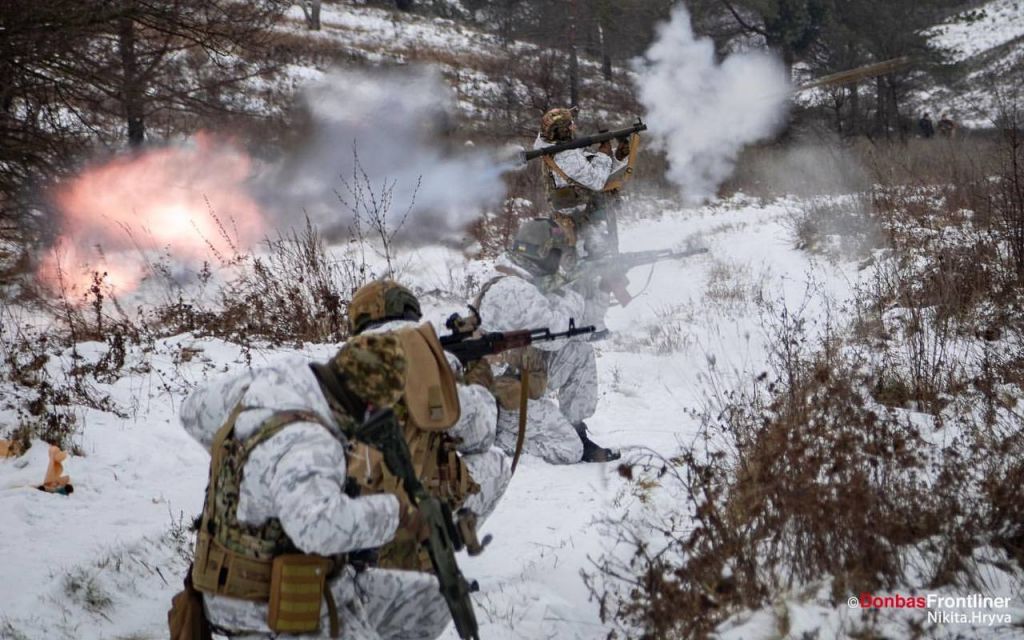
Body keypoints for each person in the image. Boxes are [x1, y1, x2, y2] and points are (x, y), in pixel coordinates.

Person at [176, 333, 453, 639]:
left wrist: (252, 472)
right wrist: (397, 513)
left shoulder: (271, 383)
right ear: (371, 405)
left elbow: (192, 411)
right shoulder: (313, 444)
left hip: (289, 580)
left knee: (431, 598)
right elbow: (318, 530)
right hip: (268, 609)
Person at [346, 279, 511, 571]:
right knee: (494, 462)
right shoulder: (430, 361)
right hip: (408, 519)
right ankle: (433, 556)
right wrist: (477, 374)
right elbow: (480, 436)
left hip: (349, 523)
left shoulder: (337, 365)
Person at [475, 217, 620, 464]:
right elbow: (556, 332)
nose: (560, 261)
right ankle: (496, 436)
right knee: (569, 451)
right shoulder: (512, 289)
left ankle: (576, 428)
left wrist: (601, 288)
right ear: (542, 252)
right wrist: (573, 291)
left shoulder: (530, 281)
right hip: (501, 398)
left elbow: (583, 328)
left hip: (525, 376)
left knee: (579, 351)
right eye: (557, 253)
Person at [536, 107, 634, 333]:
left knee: (602, 268)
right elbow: (597, 180)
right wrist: (604, 150)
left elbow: (600, 169)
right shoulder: (565, 155)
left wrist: (619, 152)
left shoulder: (554, 147)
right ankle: (584, 327)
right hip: (576, 226)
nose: (574, 127)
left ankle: (594, 324)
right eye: (570, 124)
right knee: (584, 276)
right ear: (561, 131)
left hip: (583, 222)